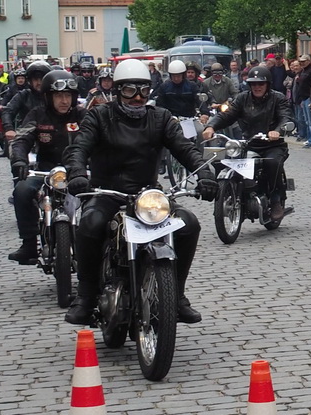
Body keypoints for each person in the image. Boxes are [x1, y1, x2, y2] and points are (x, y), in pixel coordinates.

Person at [65, 58, 216, 327]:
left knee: (189, 224)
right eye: (129, 90)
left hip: (148, 196)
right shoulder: (99, 116)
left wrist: (204, 173)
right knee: (90, 223)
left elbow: (184, 148)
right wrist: (77, 173)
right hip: (107, 192)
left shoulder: (160, 118)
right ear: (117, 91)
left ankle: (177, 295)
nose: (137, 97)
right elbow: (79, 147)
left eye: (144, 90)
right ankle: (85, 296)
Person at [202, 64, 295, 224]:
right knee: (222, 160)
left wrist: (277, 131)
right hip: (248, 144)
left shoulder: (278, 98)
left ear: (268, 84)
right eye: (253, 84)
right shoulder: (242, 98)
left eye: (261, 83)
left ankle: (275, 200)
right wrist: (211, 126)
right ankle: (229, 193)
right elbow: (227, 115)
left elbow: (285, 116)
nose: (257, 87)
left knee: (272, 163)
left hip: (272, 145)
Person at [6, 70, 81, 267]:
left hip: (78, 172)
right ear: (48, 97)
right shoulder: (37, 115)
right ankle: (29, 243)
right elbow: (21, 140)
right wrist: (19, 161)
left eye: (68, 96)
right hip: (46, 172)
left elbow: (98, 140)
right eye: (59, 96)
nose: (64, 101)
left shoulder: (83, 115)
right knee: (21, 190)